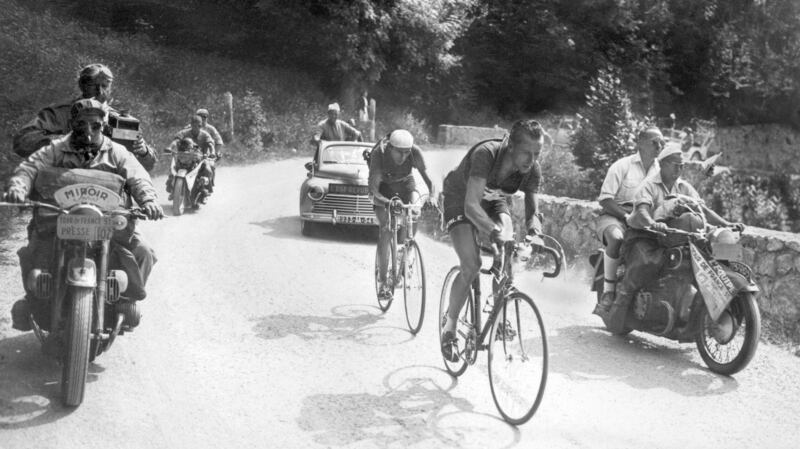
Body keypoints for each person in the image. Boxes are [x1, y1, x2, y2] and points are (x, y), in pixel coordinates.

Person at [5, 99, 164, 331]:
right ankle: (35, 299)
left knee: (144, 252)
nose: (88, 132)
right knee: (33, 252)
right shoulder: (56, 149)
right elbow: (30, 167)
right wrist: (18, 187)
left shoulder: (117, 152)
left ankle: (123, 300)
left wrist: (149, 200)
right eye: (81, 125)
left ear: (103, 126)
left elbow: (138, 176)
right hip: (61, 219)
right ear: (72, 124)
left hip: (107, 221)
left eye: (95, 126)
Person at [596, 146, 744, 331]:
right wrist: (653, 222)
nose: (679, 169)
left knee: (722, 257)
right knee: (645, 264)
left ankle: (727, 299)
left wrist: (727, 224)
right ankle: (614, 310)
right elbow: (641, 211)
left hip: (677, 236)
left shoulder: (684, 187)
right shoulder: (649, 185)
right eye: (675, 165)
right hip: (646, 235)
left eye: (681, 166)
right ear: (663, 164)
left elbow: (704, 210)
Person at [439, 119, 545, 361]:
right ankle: (450, 327)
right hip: (461, 199)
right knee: (472, 265)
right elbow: (471, 206)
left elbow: (533, 213)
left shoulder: (532, 169)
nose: (531, 160)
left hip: (494, 201)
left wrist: (536, 234)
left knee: (508, 243)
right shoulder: (486, 154)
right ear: (511, 146)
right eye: (526, 153)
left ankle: (497, 312)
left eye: (537, 154)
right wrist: (491, 230)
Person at [12, 63, 157, 171]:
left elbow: (147, 166)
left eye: (105, 86)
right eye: (93, 85)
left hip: (106, 189)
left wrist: (143, 151)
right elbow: (22, 141)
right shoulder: (59, 113)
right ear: (82, 85)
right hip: (61, 181)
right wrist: (61, 143)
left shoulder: (122, 121)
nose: (100, 91)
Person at [593, 127, 662, 315]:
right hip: (615, 216)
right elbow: (605, 200)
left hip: (645, 220)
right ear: (640, 143)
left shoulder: (661, 171)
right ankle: (608, 292)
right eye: (654, 142)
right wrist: (626, 217)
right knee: (616, 239)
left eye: (661, 143)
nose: (659, 146)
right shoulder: (622, 166)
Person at [368, 129, 435, 300]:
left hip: (405, 184)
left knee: (414, 214)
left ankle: (406, 251)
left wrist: (432, 197)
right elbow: (374, 189)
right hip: (383, 188)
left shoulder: (415, 152)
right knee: (386, 229)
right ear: (391, 148)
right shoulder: (379, 154)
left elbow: (429, 181)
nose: (404, 157)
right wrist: (387, 202)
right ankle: (383, 283)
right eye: (399, 152)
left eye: (407, 152)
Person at [169, 115, 216, 197]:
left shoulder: (205, 135)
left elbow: (211, 144)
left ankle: (205, 188)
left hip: (200, 159)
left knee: (208, 170)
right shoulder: (184, 133)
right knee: (173, 169)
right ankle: (172, 188)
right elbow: (176, 141)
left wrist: (212, 152)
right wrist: (170, 147)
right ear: (191, 124)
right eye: (193, 125)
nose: (195, 127)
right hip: (184, 158)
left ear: (200, 126)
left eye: (198, 125)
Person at [165, 137, 213, 203]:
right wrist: (171, 152)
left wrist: (204, 156)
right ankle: (171, 188)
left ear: (191, 145)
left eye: (188, 146)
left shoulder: (196, 149)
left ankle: (204, 191)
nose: (185, 147)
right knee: (172, 170)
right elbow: (175, 149)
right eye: (184, 145)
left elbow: (200, 155)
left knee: (206, 169)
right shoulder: (179, 148)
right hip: (182, 166)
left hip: (192, 167)